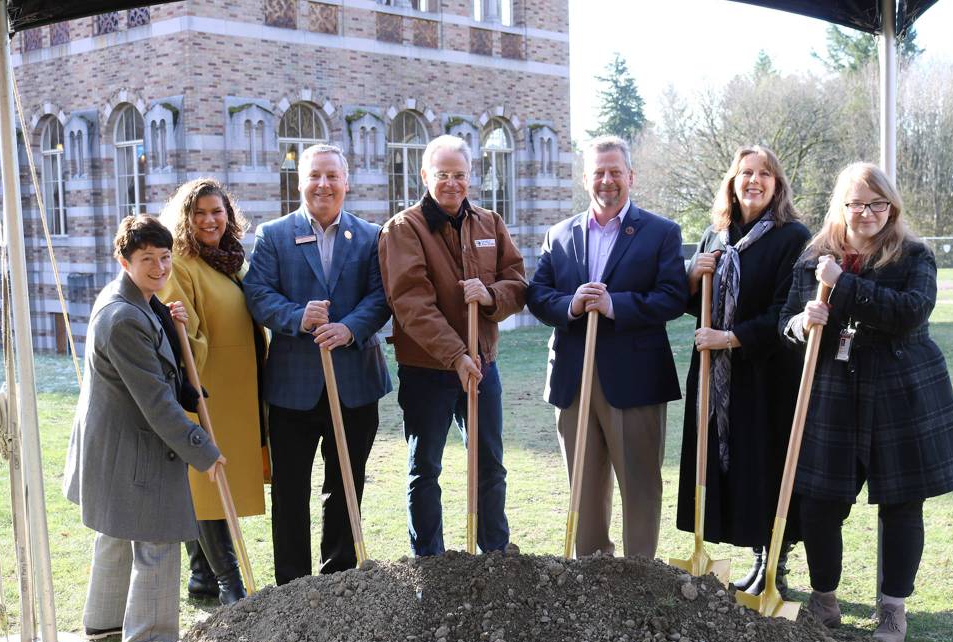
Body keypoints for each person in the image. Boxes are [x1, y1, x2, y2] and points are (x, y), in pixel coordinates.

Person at [780, 162, 953, 642]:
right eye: (856, 204)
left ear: (891, 206)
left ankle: (892, 610)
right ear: (840, 207)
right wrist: (804, 323)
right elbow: (785, 324)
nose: (866, 213)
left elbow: (911, 313)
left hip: (898, 391)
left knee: (902, 504)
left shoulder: (913, 255)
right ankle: (824, 598)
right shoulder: (815, 257)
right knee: (821, 503)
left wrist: (843, 287)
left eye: (876, 203)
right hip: (834, 392)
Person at [63, 215, 223, 642]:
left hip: (110, 445)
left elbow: (158, 369)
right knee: (155, 537)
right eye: (147, 259)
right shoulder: (123, 318)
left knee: (116, 532)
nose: (159, 267)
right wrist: (203, 451)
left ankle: (104, 619)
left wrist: (183, 372)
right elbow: (155, 402)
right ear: (124, 260)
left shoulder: (137, 301)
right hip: (131, 448)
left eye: (165, 257)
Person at [526, 135, 688, 559]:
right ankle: (593, 575)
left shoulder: (661, 233)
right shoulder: (559, 235)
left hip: (634, 379)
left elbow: (673, 296)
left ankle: (638, 576)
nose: (607, 180)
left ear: (630, 176)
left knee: (639, 483)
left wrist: (617, 305)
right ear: (585, 178)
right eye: (598, 172)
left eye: (615, 171)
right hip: (572, 379)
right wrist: (572, 305)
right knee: (583, 483)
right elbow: (538, 295)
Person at [243, 144, 391, 584]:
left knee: (346, 484)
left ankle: (338, 576)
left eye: (332, 176)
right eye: (314, 176)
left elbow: (382, 296)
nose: (323, 185)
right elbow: (257, 294)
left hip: (355, 382)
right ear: (300, 182)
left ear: (347, 183)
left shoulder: (370, 236)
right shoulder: (274, 235)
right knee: (290, 490)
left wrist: (349, 328)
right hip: (293, 387)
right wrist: (296, 317)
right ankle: (292, 585)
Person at [378, 134, 526, 556]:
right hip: (428, 369)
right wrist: (455, 355)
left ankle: (494, 552)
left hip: (484, 364)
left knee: (490, 464)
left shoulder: (489, 223)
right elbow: (411, 304)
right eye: (442, 174)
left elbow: (517, 283)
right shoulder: (403, 229)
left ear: (470, 177)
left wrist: (492, 296)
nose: (451, 183)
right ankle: (429, 560)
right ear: (424, 175)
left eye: (459, 175)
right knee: (425, 468)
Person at [674, 146, 810, 596]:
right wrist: (693, 276)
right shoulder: (716, 235)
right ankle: (750, 554)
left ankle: (772, 560)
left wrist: (730, 338)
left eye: (764, 174)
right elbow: (690, 303)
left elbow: (785, 312)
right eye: (746, 173)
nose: (754, 181)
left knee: (763, 463)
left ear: (777, 184)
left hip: (765, 371)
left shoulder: (793, 238)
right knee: (724, 464)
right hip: (716, 372)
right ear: (732, 181)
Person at [158, 178, 266, 605]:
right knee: (207, 480)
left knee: (218, 478)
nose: (209, 220)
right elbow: (181, 333)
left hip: (238, 388)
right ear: (185, 218)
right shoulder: (180, 263)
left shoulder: (230, 259)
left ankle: (201, 576)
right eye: (199, 213)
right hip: (205, 387)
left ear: (229, 214)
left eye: (216, 211)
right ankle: (228, 583)